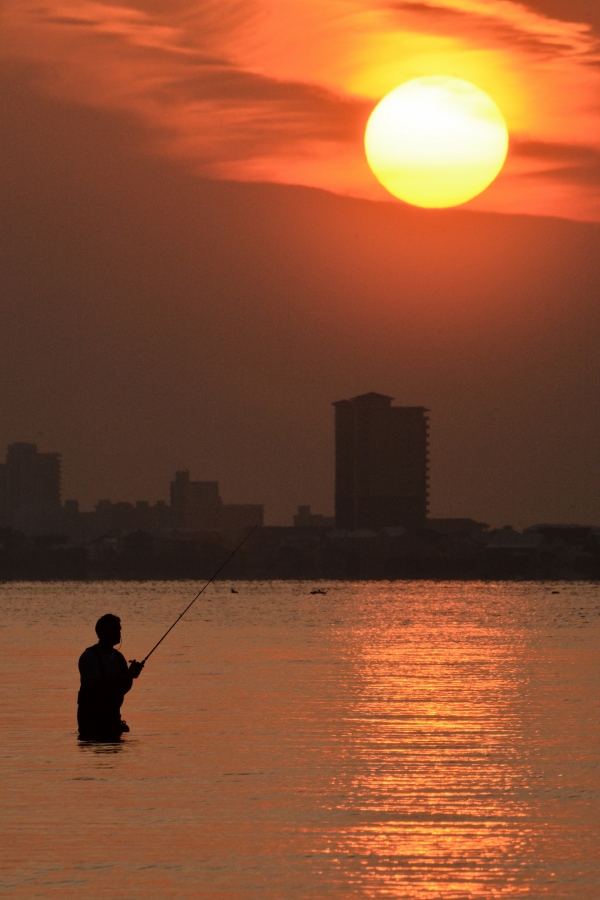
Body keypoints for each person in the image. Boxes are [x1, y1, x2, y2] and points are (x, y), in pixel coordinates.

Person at [77, 613, 144, 741]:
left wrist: (131, 676)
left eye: (119, 630)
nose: (118, 633)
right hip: (91, 719)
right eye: (114, 630)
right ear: (101, 632)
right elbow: (97, 688)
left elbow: (123, 688)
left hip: (113, 717)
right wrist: (128, 675)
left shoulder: (119, 658)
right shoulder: (89, 657)